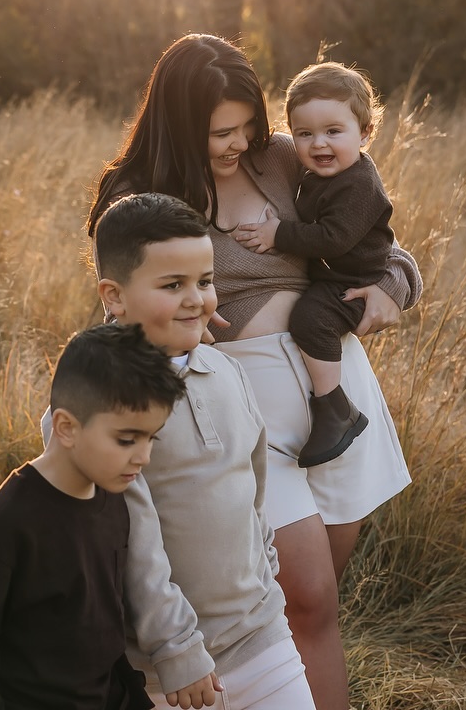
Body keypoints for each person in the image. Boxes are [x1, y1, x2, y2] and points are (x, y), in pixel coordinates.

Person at [88, 35, 420, 710]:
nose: (239, 143)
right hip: (237, 405)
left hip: (335, 394)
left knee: (316, 605)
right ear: (180, 124)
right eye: (219, 133)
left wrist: (396, 285)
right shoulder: (137, 193)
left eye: (246, 124)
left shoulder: (282, 156)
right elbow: (116, 302)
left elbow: (372, 232)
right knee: (304, 592)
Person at [90, 192, 316, 710]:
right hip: (168, 667)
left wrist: (267, 576)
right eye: (173, 286)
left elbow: (254, 484)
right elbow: (130, 540)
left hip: (261, 633)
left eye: (205, 281)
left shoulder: (226, 371)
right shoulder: (104, 398)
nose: (197, 300)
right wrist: (177, 650)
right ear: (115, 295)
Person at [0, 321, 182, 710]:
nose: (143, 457)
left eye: (149, 438)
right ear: (67, 427)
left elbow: (106, 643)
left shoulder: (113, 503)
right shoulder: (4, 527)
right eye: (126, 440)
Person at [229, 63, 394, 469]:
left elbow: (333, 238)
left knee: (311, 319)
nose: (318, 144)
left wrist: (278, 233)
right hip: (335, 277)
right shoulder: (318, 170)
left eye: (333, 132)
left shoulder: (358, 183)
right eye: (305, 134)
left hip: (355, 283)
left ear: (366, 133)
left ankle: (334, 408)